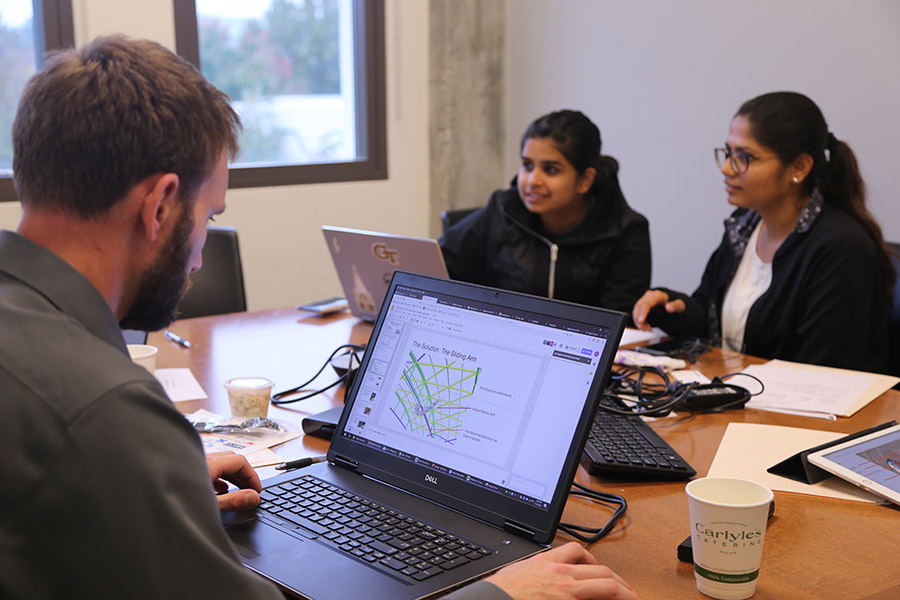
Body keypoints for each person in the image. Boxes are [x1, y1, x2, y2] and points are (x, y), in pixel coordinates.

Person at [0, 36, 638, 600]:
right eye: (210, 216)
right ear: (162, 205)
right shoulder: (106, 411)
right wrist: (500, 594)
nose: (198, 255)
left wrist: (145, 486)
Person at [633, 92, 893, 373]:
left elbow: (822, 374)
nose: (726, 168)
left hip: (794, 411)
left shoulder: (841, 250)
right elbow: (715, 318)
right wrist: (674, 308)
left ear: (799, 167)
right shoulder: (743, 226)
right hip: (736, 399)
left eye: (744, 157)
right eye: (728, 152)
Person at [440, 110, 650, 315]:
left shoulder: (626, 230)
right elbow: (440, 262)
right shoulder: (502, 210)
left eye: (551, 170)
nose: (533, 181)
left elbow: (619, 320)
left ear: (585, 180)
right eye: (527, 166)